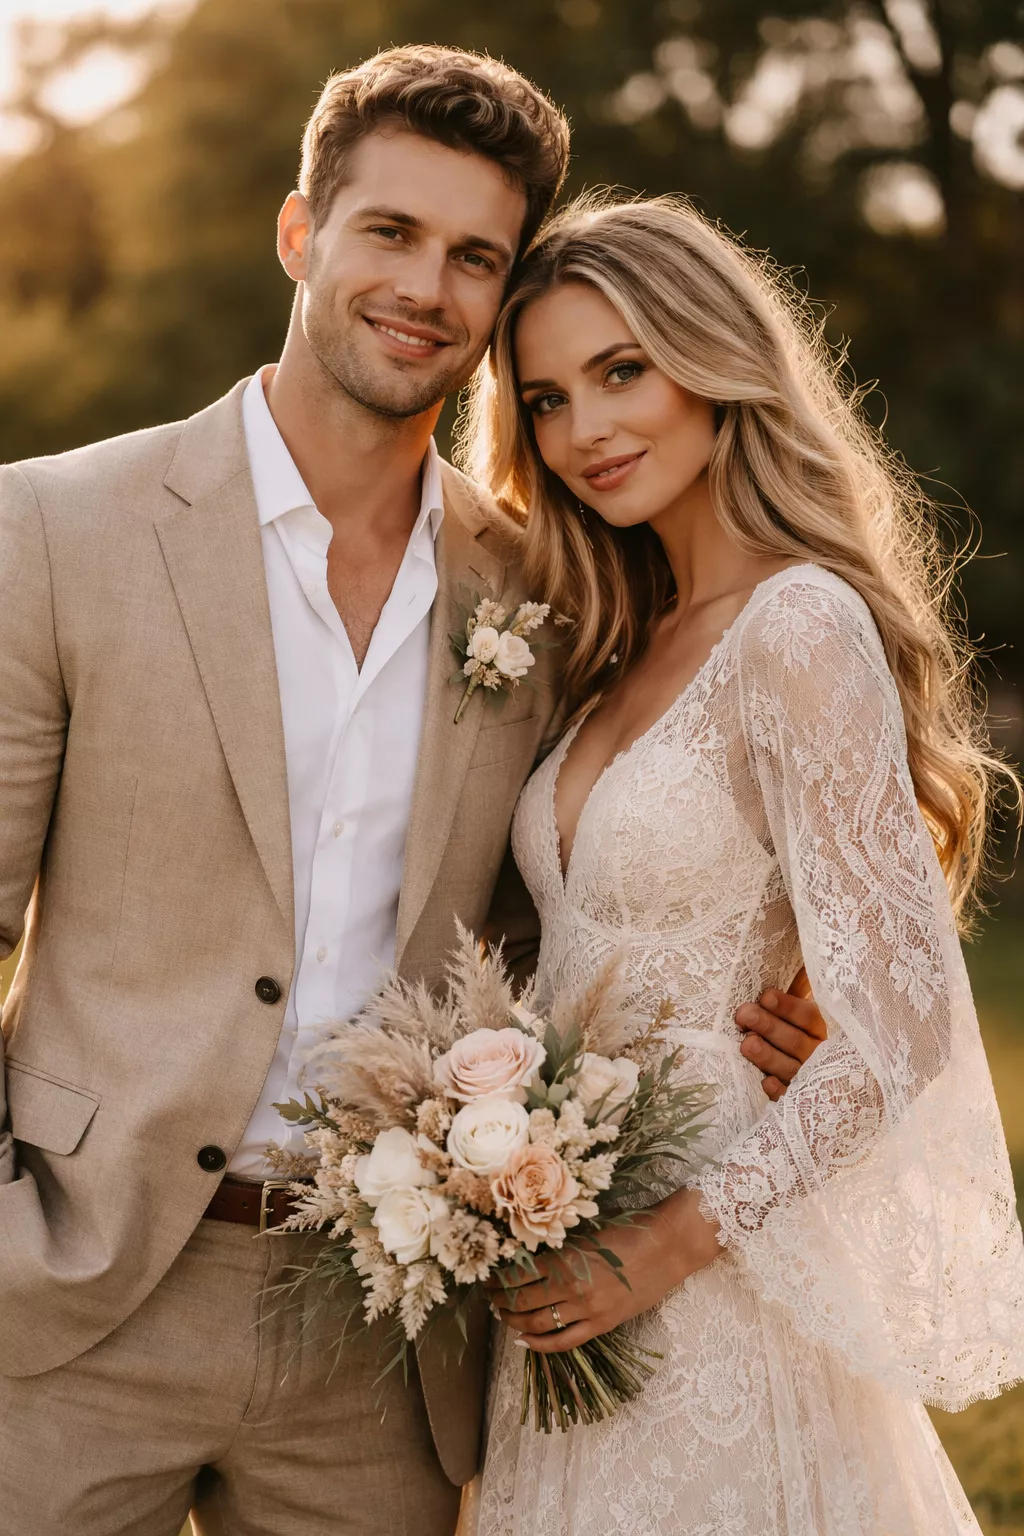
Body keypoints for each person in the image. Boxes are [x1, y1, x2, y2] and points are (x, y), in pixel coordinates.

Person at [0, 48, 822, 1536]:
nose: (426, 287)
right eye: (391, 232)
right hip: (69, 1298)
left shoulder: (547, 585)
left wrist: (783, 973)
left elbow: (581, 891)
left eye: (475, 258)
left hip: (384, 1328)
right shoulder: (55, 527)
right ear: (302, 232)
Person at [469, 195, 1024, 1535]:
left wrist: (659, 1251)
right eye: (545, 398)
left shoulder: (799, 622)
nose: (586, 430)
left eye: (623, 371)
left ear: (714, 368)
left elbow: (899, 1022)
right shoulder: (613, 646)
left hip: (715, 1272)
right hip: (568, 1264)